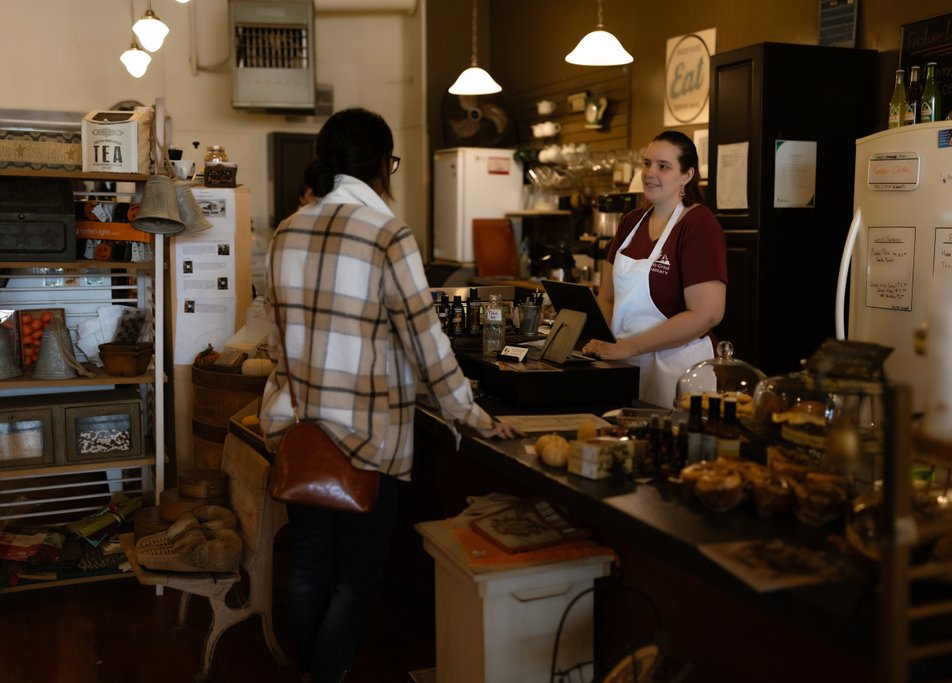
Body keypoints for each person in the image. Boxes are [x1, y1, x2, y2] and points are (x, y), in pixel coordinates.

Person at [260, 108, 520, 683]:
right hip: (367, 433)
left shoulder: (286, 230)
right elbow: (426, 341)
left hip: (302, 426)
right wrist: (468, 413)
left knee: (307, 567)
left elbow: (278, 336)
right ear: (383, 164)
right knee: (357, 578)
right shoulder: (387, 234)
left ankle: (310, 672)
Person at [581, 130, 727, 408]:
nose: (650, 173)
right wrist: (608, 343)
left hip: (678, 371)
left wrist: (630, 346)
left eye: (663, 166)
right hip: (624, 365)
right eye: (647, 163)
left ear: (687, 175)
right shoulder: (630, 222)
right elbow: (607, 296)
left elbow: (707, 314)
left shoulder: (698, 224)